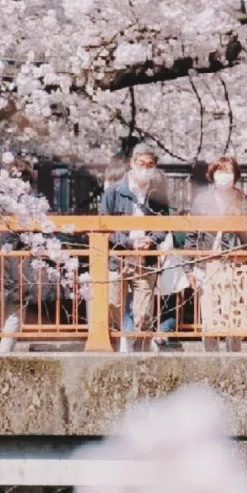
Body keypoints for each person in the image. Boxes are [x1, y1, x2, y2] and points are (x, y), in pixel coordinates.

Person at [99, 144, 177, 352]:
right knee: (113, 303)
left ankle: (140, 349)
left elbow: (164, 223)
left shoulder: (157, 193)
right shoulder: (113, 191)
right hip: (120, 256)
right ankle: (124, 342)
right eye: (140, 164)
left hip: (146, 258)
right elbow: (104, 227)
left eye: (149, 165)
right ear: (132, 163)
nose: (144, 168)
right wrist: (129, 242)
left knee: (144, 312)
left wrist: (152, 240)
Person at [191, 155, 247, 351]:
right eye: (220, 172)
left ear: (236, 176)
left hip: (235, 262)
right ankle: (210, 357)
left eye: (228, 172)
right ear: (212, 175)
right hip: (207, 261)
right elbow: (191, 234)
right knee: (209, 315)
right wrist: (192, 265)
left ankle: (234, 358)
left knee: (234, 313)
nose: (224, 176)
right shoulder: (202, 200)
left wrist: (240, 222)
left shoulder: (244, 201)